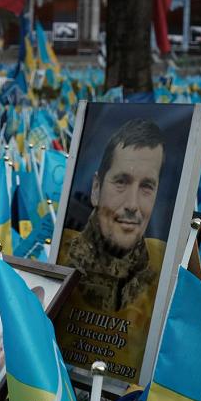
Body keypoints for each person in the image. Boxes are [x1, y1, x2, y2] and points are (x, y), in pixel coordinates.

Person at [55, 116, 169, 379]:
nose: (132, 203)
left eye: (146, 187)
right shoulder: (59, 264)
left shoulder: (165, 275)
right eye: (121, 182)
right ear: (96, 189)